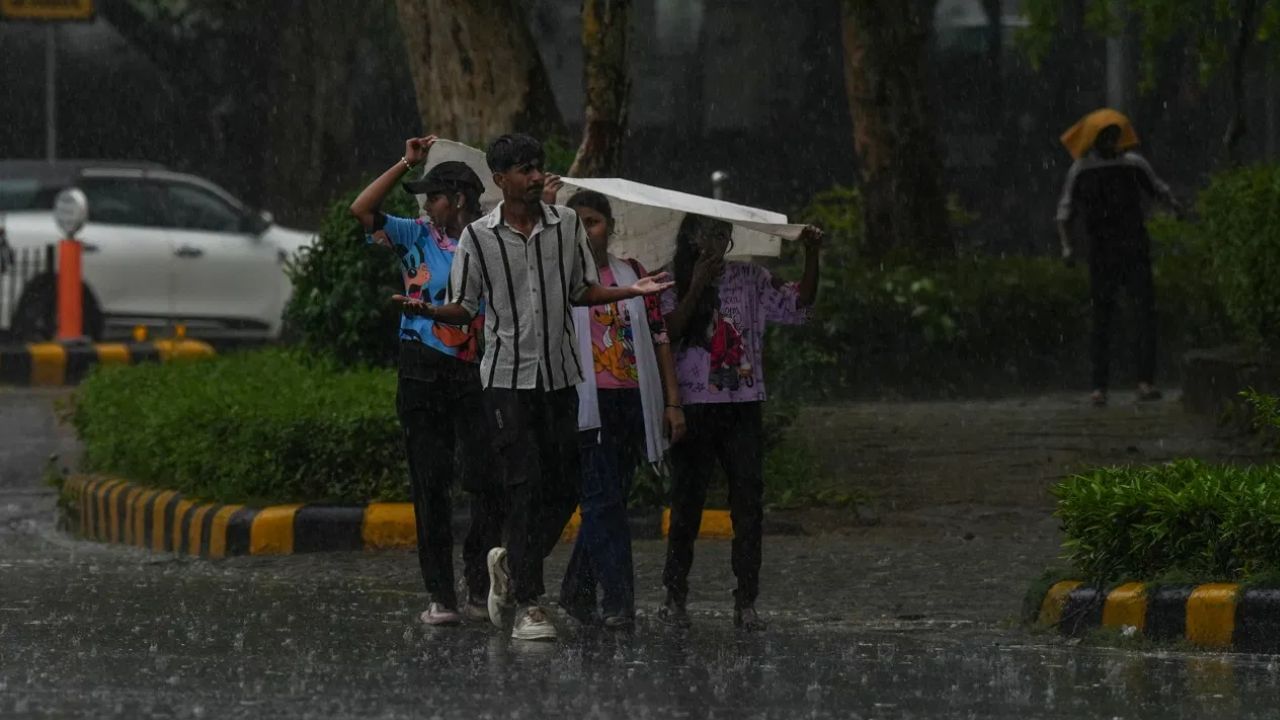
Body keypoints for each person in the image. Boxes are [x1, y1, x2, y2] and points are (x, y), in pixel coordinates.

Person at [394, 133, 672, 642]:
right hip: (505, 380)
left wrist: (630, 290)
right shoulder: (479, 237)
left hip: (561, 375)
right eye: (523, 169)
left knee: (564, 484)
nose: (534, 175)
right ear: (500, 180)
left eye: (537, 166)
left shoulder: (565, 225)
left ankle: (513, 563)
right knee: (522, 483)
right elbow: (466, 305)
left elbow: (581, 290)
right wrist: (429, 310)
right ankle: (529, 604)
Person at [348, 136, 504, 626]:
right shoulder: (416, 234)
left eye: (433, 195)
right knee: (429, 483)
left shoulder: (489, 241)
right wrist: (404, 163)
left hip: (476, 371)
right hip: (420, 368)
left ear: (457, 198)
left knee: (487, 481)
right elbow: (362, 209)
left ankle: (480, 582)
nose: (426, 204)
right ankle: (441, 595)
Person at [658, 214, 822, 632]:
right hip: (694, 405)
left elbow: (798, 303)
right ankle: (674, 594)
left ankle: (746, 599)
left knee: (748, 505)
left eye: (724, 234)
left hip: (742, 403)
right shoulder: (668, 280)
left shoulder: (750, 277)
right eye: (709, 234)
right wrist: (695, 285)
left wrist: (811, 254)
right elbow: (669, 330)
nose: (717, 242)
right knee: (686, 507)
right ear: (692, 238)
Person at [540, 185, 687, 629]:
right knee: (603, 501)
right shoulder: (560, 277)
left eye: (594, 222)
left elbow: (659, 336)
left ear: (610, 227)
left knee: (611, 500)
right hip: (587, 402)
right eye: (577, 223)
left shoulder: (632, 272)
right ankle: (618, 603)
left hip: (632, 400)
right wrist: (546, 208)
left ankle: (576, 592)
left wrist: (673, 401)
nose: (586, 232)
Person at [1056, 118, 1180, 407]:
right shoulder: (1083, 169)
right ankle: (1099, 386)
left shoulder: (1132, 164)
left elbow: (1160, 191)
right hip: (1104, 251)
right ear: (1094, 140)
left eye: (1114, 135)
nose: (1112, 142)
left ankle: (1143, 381)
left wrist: (1175, 207)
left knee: (1141, 315)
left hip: (1132, 248)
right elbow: (1065, 213)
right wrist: (1067, 246)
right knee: (1104, 318)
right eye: (1106, 136)